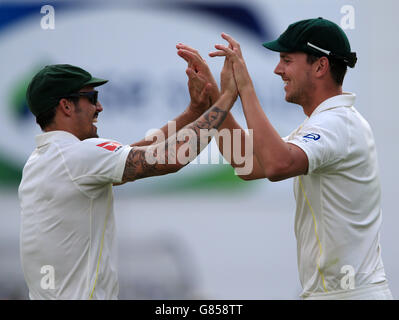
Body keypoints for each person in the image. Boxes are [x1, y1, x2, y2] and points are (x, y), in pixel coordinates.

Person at [178, 17, 393, 299]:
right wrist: (216, 98)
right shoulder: (325, 123)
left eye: (287, 60)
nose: (278, 70)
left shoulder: (338, 124)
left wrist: (246, 88)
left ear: (320, 66)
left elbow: (278, 165)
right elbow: (248, 164)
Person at [18, 61, 238, 299]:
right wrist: (225, 100)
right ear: (66, 106)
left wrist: (195, 111)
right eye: (92, 97)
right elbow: (170, 158)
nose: (99, 107)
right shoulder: (79, 155)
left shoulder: (41, 160)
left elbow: (136, 154)